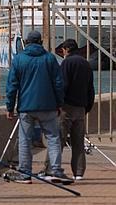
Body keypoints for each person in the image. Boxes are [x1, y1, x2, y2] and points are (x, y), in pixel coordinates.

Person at [6, 30, 71, 184]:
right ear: (41, 42)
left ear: (27, 42)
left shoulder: (19, 59)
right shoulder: (49, 58)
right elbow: (58, 83)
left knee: (25, 140)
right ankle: (55, 170)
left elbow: (12, 86)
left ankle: (25, 173)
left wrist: (10, 107)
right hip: (48, 106)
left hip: (26, 107)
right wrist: (59, 103)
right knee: (53, 138)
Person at [44, 39, 95, 180]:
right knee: (78, 142)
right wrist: (87, 106)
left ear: (66, 49)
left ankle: (51, 169)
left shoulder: (67, 63)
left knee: (57, 140)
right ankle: (79, 172)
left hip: (67, 107)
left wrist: (58, 104)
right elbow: (91, 88)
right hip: (81, 108)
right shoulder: (86, 63)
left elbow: (63, 85)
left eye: (63, 50)